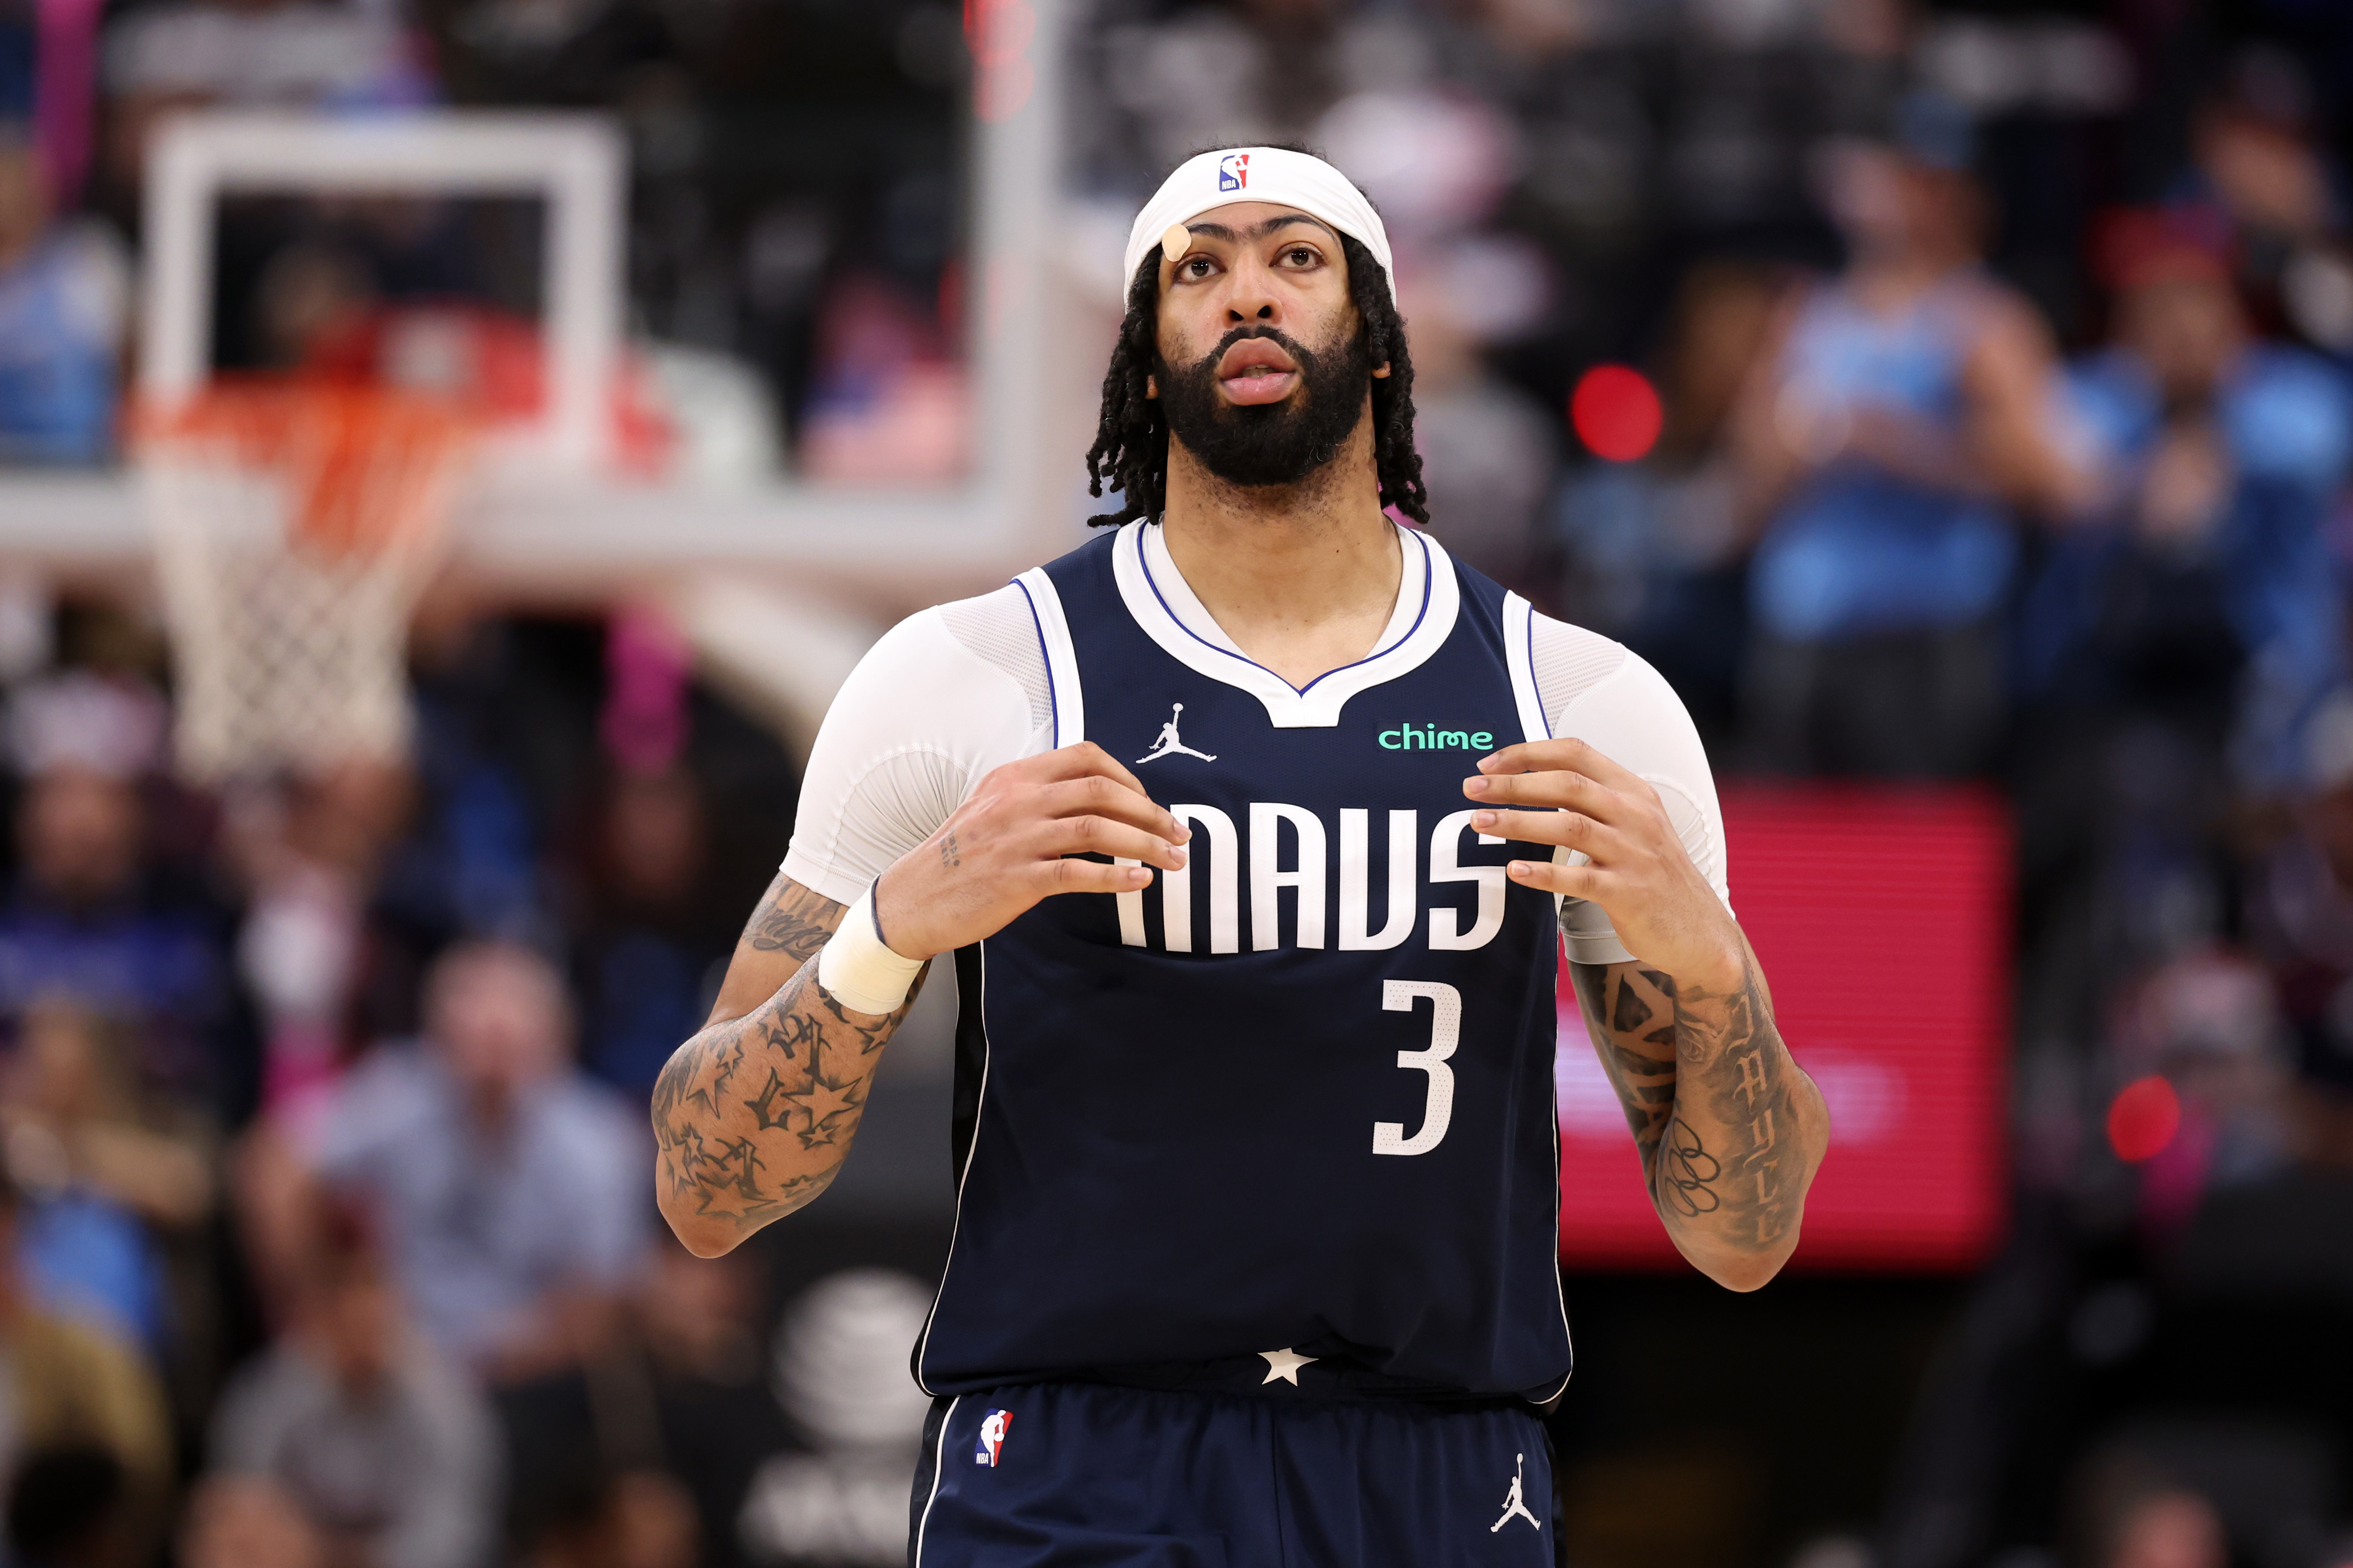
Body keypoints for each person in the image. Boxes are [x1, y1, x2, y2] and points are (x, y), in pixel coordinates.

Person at [651, 144, 1829, 1560]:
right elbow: (706, 1188)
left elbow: (1745, 1232)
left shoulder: (1574, 699)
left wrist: (1705, 956)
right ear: (1145, 362)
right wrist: (888, 925)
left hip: (1433, 1457)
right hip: (1071, 1452)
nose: (1244, 294)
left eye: (1293, 257)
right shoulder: (970, 675)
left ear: (1378, 340)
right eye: (1197, 270)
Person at [1730, 96, 2091, 777]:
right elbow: (1747, 478)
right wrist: (1790, 454)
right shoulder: (1807, 316)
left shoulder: (1982, 322)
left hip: (1923, 635)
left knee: (1912, 852)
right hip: (1804, 628)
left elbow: (2051, 479)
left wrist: (1903, 447)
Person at [269, 940, 647, 1377]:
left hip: (532, 1374)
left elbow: (603, 1305)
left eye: (511, 1017)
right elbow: (275, 1165)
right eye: (474, 1011)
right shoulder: (399, 1094)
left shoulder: (601, 1142)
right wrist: (311, 1310)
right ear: (436, 1031)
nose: (492, 1029)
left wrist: (485, 1368)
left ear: (558, 1036)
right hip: (394, 1358)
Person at [194, 1212, 502, 1568]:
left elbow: (455, 1537)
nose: (361, 1339)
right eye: (345, 1321)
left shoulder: (447, 1402)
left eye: (372, 1321)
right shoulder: (270, 1393)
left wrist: (333, 1554)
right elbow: (240, 1501)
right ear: (320, 1321)